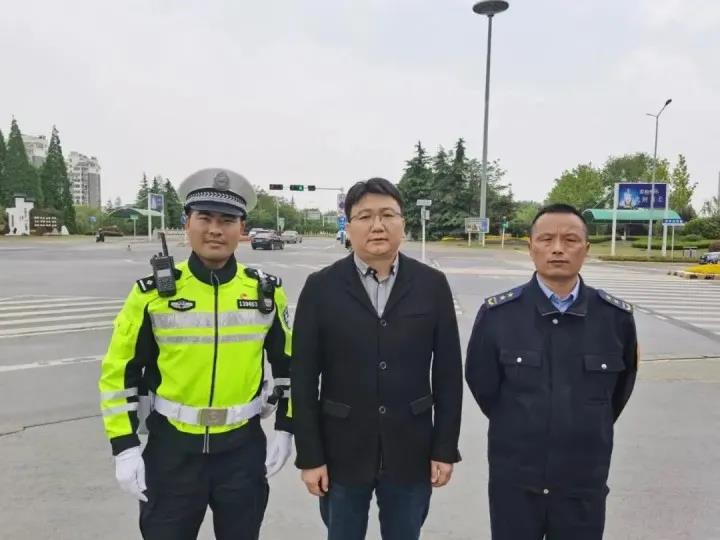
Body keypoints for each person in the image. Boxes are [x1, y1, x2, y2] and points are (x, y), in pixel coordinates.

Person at [98, 168, 294, 540]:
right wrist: (124, 446)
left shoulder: (266, 293)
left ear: (242, 229)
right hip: (171, 453)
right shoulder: (152, 295)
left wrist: (286, 427)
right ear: (186, 223)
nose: (215, 230)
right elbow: (119, 373)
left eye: (227, 220)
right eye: (205, 218)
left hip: (242, 452)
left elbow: (289, 367)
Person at [292, 177, 463, 540]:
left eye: (387, 214)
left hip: (412, 449)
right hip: (340, 451)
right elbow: (303, 378)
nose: (378, 225)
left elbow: (448, 373)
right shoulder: (321, 287)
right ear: (348, 226)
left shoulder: (432, 284)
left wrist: (445, 448)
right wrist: (310, 456)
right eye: (365, 216)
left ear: (403, 222)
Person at [465, 203, 638, 540]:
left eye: (570, 240)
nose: (558, 248)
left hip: (583, 480)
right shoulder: (498, 315)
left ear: (586, 249)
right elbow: (483, 386)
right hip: (516, 479)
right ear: (531, 247)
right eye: (546, 239)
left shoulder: (614, 318)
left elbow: (618, 392)